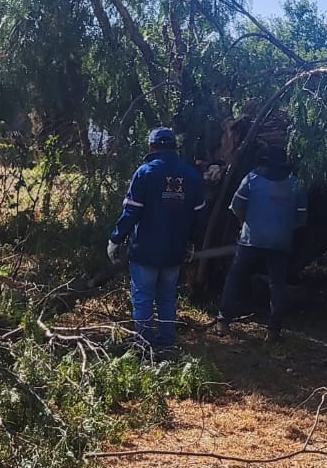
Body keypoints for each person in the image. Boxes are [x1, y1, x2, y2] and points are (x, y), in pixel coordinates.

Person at [108, 126, 206, 355]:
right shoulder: (191, 176)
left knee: (143, 298)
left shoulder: (145, 173)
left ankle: (143, 346)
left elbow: (131, 212)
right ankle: (167, 343)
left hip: (146, 251)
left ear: (151, 147)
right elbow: (200, 216)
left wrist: (115, 239)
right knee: (167, 298)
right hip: (174, 251)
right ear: (175, 147)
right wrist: (191, 242)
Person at [215, 143, 307, 342]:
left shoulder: (252, 179)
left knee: (235, 278)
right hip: (280, 244)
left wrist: (246, 221)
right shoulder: (296, 185)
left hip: (250, 240)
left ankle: (223, 322)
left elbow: (237, 207)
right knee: (277, 285)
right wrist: (282, 228)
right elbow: (301, 219)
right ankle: (273, 331)